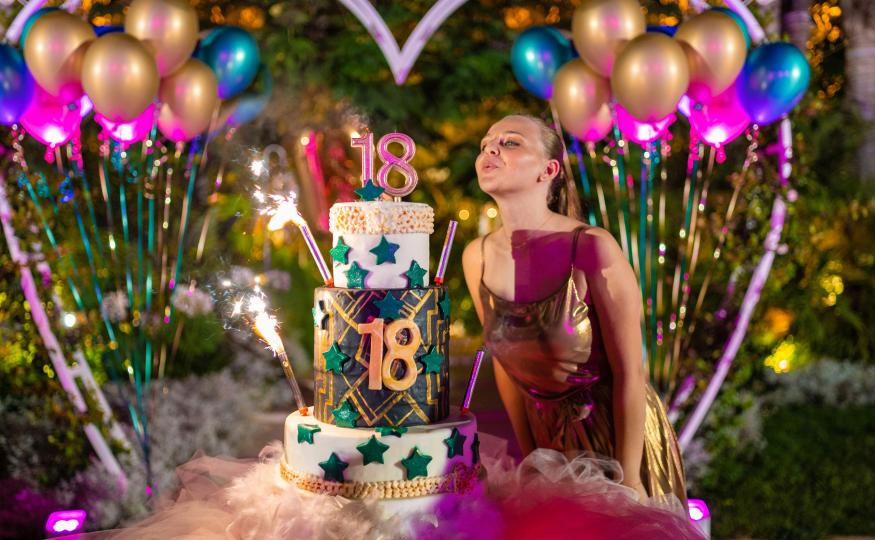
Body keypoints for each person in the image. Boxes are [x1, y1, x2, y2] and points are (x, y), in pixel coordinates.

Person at [462, 113, 687, 505]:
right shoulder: (475, 257)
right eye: (485, 144)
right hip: (546, 441)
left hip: (615, 436)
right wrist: (534, 458)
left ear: (548, 170)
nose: (490, 148)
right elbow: (505, 365)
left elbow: (631, 373)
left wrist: (629, 480)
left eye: (510, 142)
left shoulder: (591, 247)